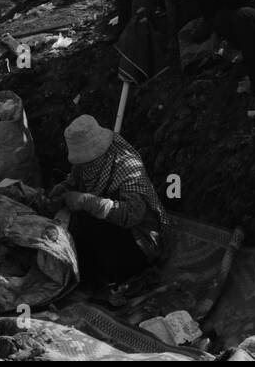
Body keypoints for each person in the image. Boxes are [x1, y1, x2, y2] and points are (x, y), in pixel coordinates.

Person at [50, 115, 168, 286]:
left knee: (87, 226)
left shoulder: (127, 166)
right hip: (110, 229)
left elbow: (133, 215)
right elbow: (74, 181)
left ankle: (106, 278)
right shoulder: (84, 166)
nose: (85, 166)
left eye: (88, 161)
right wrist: (64, 188)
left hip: (138, 238)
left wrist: (86, 201)